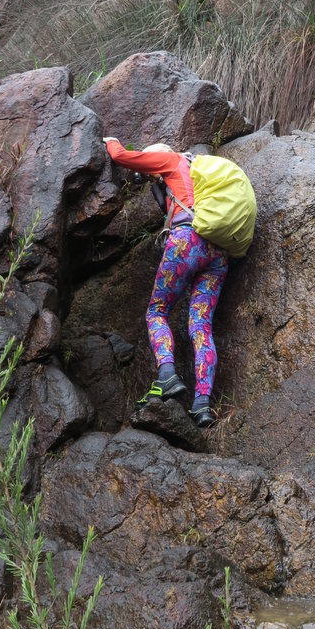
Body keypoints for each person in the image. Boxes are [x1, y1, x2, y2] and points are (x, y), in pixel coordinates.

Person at [103, 137, 228, 428]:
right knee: (200, 325)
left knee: (156, 313)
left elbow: (121, 156)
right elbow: (169, 207)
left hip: (187, 240)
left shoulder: (170, 159)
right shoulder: (198, 172)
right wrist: (158, 186)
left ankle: (168, 374)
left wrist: (111, 142)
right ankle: (202, 405)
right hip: (218, 251)